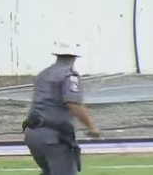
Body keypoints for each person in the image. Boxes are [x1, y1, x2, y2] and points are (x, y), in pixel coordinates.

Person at [24, 41, 101, 175]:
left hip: (33, 134)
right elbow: (73, 104)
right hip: (53, 137)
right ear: (74, 57)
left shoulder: (43, 74)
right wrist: (91, 127)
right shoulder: (69, 75)